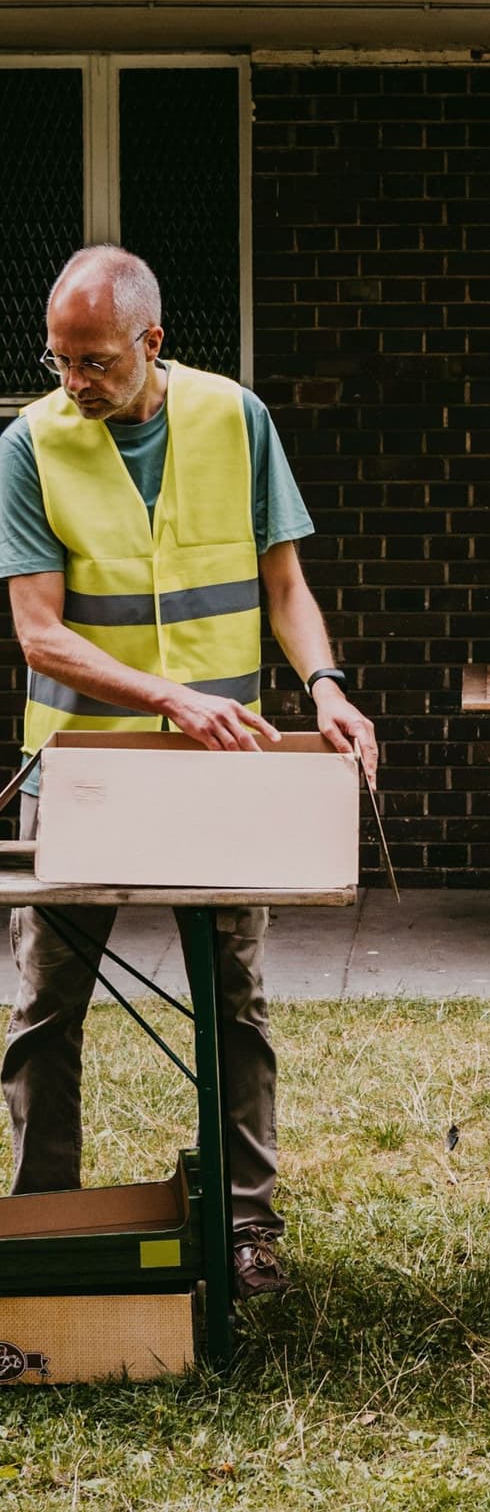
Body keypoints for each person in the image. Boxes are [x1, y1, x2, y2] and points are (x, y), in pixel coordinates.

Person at [1, 246, 378, 1300]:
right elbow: (39, 635)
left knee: (235, 999)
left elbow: (285, 586)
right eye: (61, 359)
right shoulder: (30, 445)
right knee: (45, 1008)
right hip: (81, 767)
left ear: (152, 343)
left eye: (95, 362)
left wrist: (329, 685)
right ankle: (41, 1227)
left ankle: (248, 1225)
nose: (73, 381)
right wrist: (167, 697)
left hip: (225, 770)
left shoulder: (235, 419)